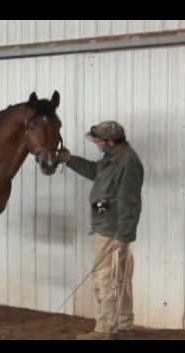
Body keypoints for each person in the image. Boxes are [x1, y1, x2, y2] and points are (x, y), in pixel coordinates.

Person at [57, 121, 144, 340]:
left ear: (111, 142)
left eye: (98, 141)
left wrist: (122, 237)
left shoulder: (128, 163)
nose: (96, 144)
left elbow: (129, 202)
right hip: (107, 226)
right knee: (119, 277)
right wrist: (70, 160)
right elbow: (96, 172)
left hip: (112, 231)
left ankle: (105, 329)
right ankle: (123, 325)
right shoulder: (113, 158)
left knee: (105, 278)